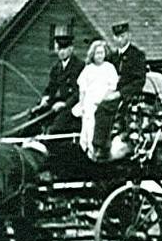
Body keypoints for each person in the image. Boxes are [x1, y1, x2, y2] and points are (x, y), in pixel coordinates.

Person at [95, 19, 149, 155]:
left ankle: (100, 146)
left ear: (129, 35)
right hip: (112, 92)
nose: (119, 39)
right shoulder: (112, 57)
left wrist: (120, 93)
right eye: (117, 37)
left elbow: (139, 81)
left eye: (122, 36)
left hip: (129, 95)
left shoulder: (137, 55)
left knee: (102, 109)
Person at [29, 27, 82, 134]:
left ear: (71, 49)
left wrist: (65, 104)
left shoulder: (79, 66)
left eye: (65, 48)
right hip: (57, 103)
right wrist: (45, 98)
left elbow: (79, 93)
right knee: (33, 119)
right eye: (59, 49)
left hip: (72, 105)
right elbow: (51, 87)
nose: (61, 52)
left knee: (54, 129)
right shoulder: (56, 68)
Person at [75, 40, 118, 159]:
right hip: (89, 100)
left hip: (104, 101)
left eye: (102, 53)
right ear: (92, 54)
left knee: (96, 124)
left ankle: (95, 151)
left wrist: (104, 100)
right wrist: (82, 104)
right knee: (86, 125)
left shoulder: (109, 68)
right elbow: (82, 89)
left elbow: (112, 87)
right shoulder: (88, 69)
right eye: (97, 53)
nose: (100, 55)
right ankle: (86, 150)